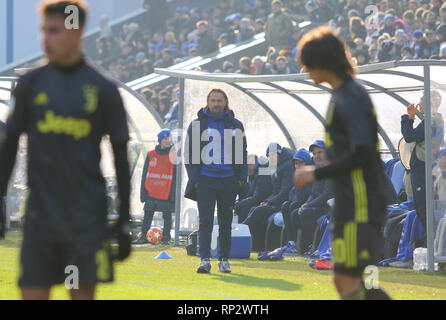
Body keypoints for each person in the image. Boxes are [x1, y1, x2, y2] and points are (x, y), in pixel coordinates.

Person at [0, 0, 131, 300]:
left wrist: (123, 219)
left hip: (86, 219)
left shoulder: (102, 89)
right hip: (40, 217)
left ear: (77, 31)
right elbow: (9, 145)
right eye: (44, 30)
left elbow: (121, 157)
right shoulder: (30, 84)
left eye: (55, 31)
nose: (46, 38)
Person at [294, 26, 391, 300]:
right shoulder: (341, 94)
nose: (305, 71)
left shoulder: (351, 97)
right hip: (351, 201)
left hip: (361, 204)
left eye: (307, 64)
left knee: (349, 281)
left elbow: (363, 153)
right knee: (356, 282)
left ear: (322, 62)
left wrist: (316, 172)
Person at [184, 88, 248, 274]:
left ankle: (224, 260)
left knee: (226, 222)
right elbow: (189, 154)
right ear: (207, 102)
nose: (216, 104)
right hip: (206, 180)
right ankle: (204, 259)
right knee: (205, 222)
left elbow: (242, 153)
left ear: (225, 102)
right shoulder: (197, 125)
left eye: (219, 100)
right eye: (213, 100)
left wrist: (241, 179)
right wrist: (195, 179)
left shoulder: (236, 125)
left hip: (229, 180)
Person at [401, 90, 444, 244]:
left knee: (424, 210)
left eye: (422, 100)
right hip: (422, 168)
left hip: (423, 169)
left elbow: (410, 136)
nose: (419, 103)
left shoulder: (432, 120)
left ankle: (431, 248)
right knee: (423, 210)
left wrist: (408, 118)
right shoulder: (432, 120)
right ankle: (430, 246)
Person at [243, 143, 294, 252]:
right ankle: (257, 247)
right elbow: (276, 191)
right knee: (254, 209)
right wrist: (267, 201)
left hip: (284, 203)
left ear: (279, 154)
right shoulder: (276, 167)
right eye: (269, 155)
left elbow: (285, 192)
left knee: (258, 211)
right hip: (276, 201)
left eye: (273, 155)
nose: (271, 158)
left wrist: (269, 202)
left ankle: (239, 235)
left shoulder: (288, 167)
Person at [135, 129, 176, 245]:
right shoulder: (151, 154)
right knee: (148, 215)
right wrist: (143, 193)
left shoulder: (174, 155)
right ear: (160, 140)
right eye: (165, 138)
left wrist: (173, 195)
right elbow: (145, 174)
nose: (168, 141)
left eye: (169, 138)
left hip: (166, 193)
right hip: (151, 192)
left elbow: (176, 177)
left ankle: (166, 238)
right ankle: (143, 236)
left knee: (167, 216)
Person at [292, 141, 332, 255]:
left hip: (330, 208)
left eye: (320, 152)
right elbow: (314, 193)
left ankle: (315, 246)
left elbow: (327, 194)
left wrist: (308, 205)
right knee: (296, 213)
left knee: (306, 213)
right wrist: (306, 204)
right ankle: (302, 246)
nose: (317, 156)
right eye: (314, 154)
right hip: (319, 206)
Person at [281, 149, 313, 253]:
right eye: (296, 164)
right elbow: (293, 194)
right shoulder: (297, 174)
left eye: (300, 163)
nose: (298, 166)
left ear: (307, 163)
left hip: (311, 204)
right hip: (302, 202)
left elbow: (308, 194)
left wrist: (306, 203)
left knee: (294, 210)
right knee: (286, 205)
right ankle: (291, 242)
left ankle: (306, 243)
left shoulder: (311, 174)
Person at [234, 155, 273, 223]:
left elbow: (257, 198)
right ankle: (236, 228)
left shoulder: (263, 174)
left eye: (250, 165)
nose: (248, 168)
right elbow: (250, 194)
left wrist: (238, 204)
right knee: (241, 207)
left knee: (245, 209)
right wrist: (238, 202)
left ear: (255, 164)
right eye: (247, 165)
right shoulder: (253, 175)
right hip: (258, 201)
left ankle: (243, 229)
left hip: (264, 201)